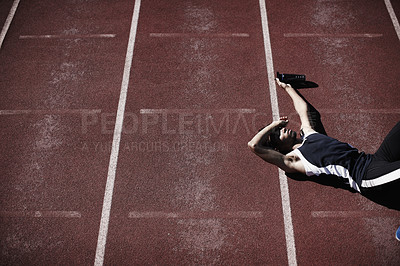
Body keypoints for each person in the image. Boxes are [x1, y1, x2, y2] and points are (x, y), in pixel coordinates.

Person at [248, 78, 400, 240]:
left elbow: (303, 109)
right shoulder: (294, 161)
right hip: (365, 177)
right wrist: (274, 124)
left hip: (373, 160)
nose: (282, 130)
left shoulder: (308, 134)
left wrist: (287, 87)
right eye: (277, 134)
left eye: (280, 129)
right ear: (276, 149)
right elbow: (254, 145)